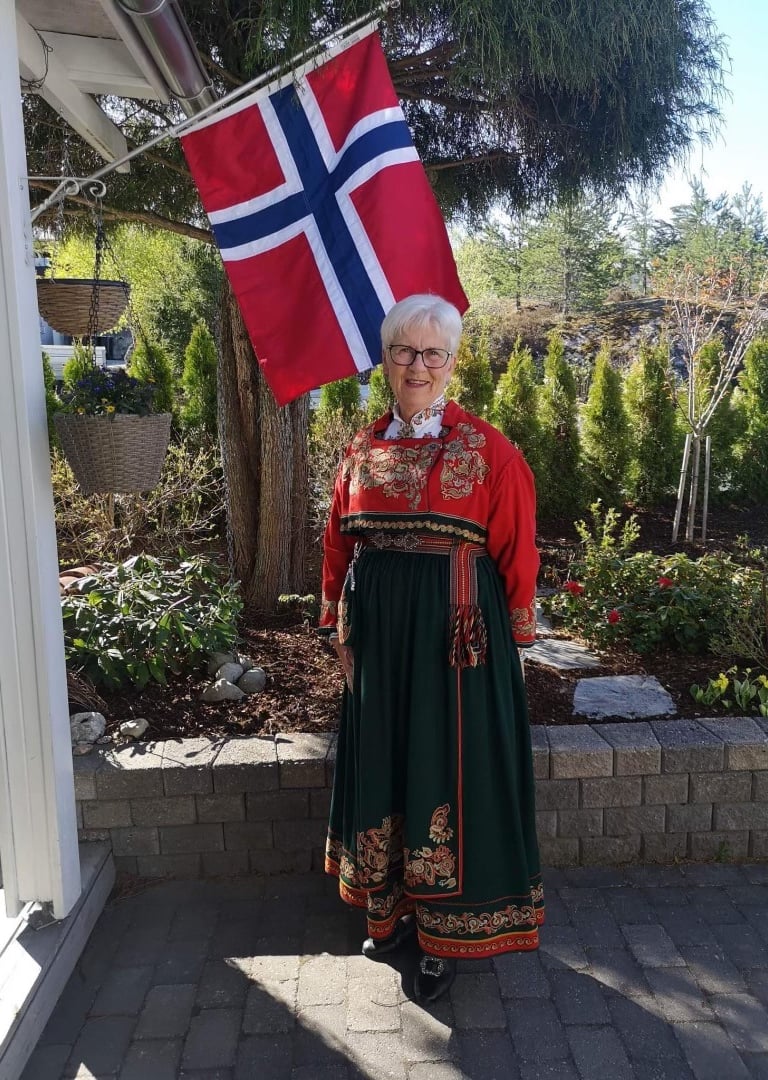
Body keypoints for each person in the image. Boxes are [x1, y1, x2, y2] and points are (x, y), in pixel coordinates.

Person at [319, 294, 543, 1004]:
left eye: (432, 353)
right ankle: (389, 918)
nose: (417, 366)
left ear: (453, 361)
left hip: (457, 653)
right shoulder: (360, 449)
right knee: (387, 761)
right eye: (403, 352)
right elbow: (336, 545)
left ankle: (449, 935)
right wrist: (338, 630)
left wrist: (512, 649)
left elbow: (517, 551)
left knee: (446, 775)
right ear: (386, 360)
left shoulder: (491, 452)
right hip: (380, 646)